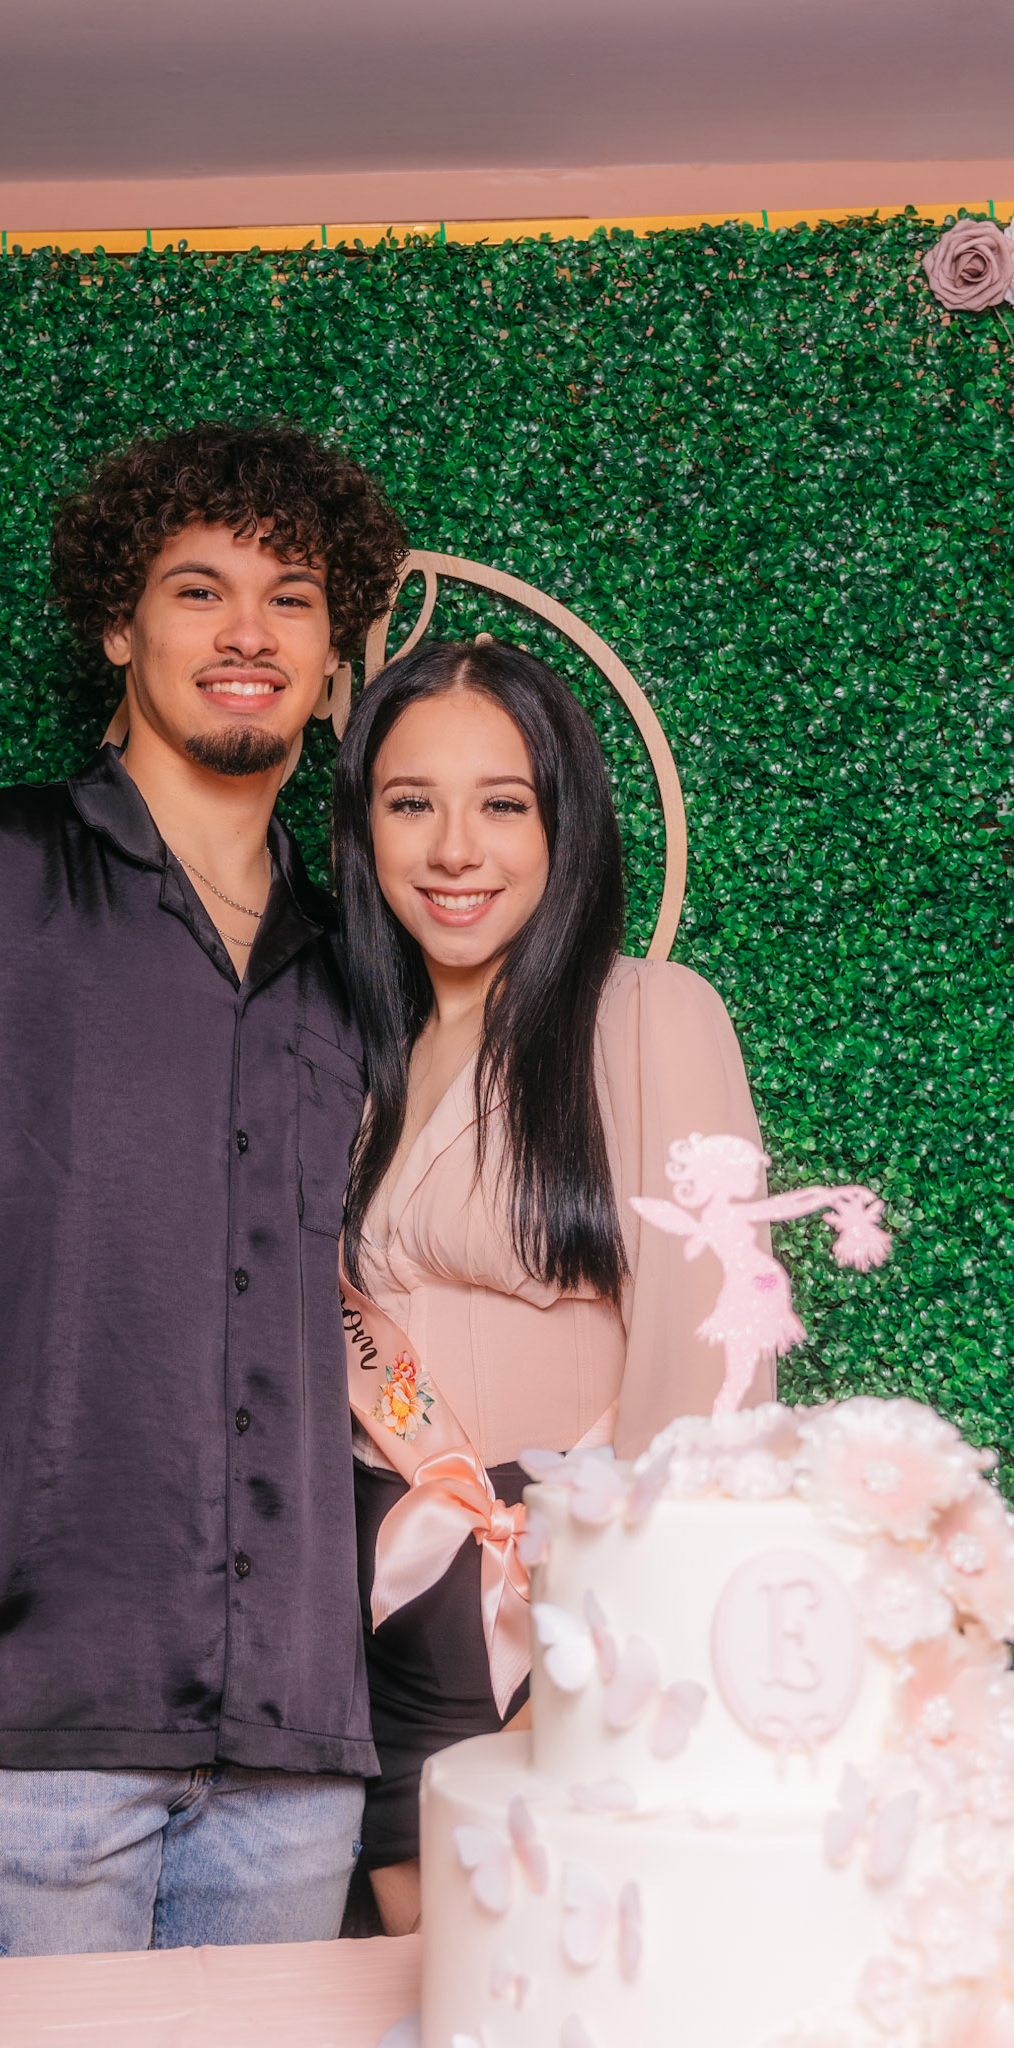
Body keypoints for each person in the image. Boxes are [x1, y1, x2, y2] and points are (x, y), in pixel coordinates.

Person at [0, 421, 408, 1957]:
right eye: (199, 591)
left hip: (298, 1757)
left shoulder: (364, 969)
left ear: (333, 654)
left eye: (292, 597)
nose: (248, 632)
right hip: (10, 1738)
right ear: (119, 628)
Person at [329, 637, 769, 1935]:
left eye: (503, 804)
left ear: (562, 823)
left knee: (561, 1969)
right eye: (411, 803)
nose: (453, 849)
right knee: (412, 1988)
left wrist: (615, 1619)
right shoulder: (353, 1055)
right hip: (372, 1604)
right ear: (363, 830)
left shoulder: (649, 1016)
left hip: (562, 1608)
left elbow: (712, 1361)